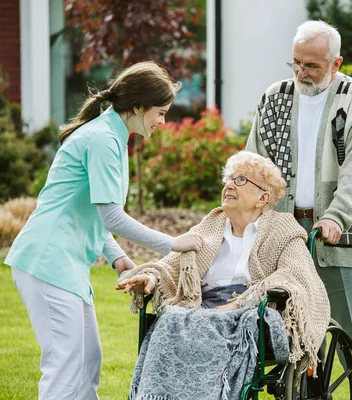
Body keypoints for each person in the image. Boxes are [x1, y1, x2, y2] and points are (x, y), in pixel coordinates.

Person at [4, 61, 204, 400]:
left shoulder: (111, 136)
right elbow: (112, 216)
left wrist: (118, 257)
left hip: (64, 265)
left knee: (88, 360)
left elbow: (95, 212)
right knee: (66, 367)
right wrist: (173, 243)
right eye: (161, 112)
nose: (162, 121)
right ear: (139, 107)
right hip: (47, 261)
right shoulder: (102, 139)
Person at [116, 151, 330, 399]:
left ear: (263, 197)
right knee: (170, 318)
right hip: (203, 307)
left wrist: (240, 302)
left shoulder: (281, 228)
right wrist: (152, 277)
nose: (229, 185)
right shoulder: (213, 223)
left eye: (240, 180)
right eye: (228, 179)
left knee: (203, 324)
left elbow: (295, 273)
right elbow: (176, 262)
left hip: (251, 309)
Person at [246, 20, 352, 399]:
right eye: (296, 63)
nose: (302, 73)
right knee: (298, 345)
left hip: (345, 242)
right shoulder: (274, 98)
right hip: (287, 240)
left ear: (336, 63)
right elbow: (253, 163)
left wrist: (335, 216)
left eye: (312, 65)